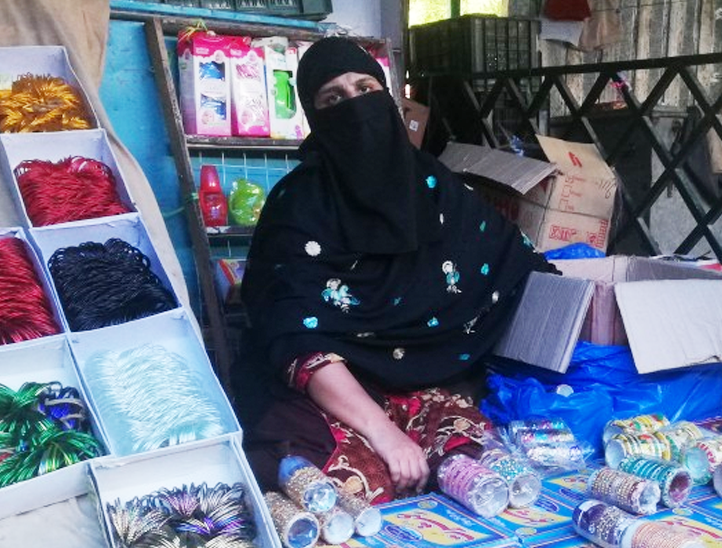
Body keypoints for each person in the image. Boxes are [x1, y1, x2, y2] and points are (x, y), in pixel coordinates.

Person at [233, 36, 554, 503]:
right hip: (330, 392)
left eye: (365, 88)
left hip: (427, 381)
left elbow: (511, 258)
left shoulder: (432, 184)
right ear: (316, 118)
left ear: (388, 98)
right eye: (333, 99)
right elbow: (294, 339)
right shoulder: (297, 206)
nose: (355, 106)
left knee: (480, 466)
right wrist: (384, 433)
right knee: (343, 485)